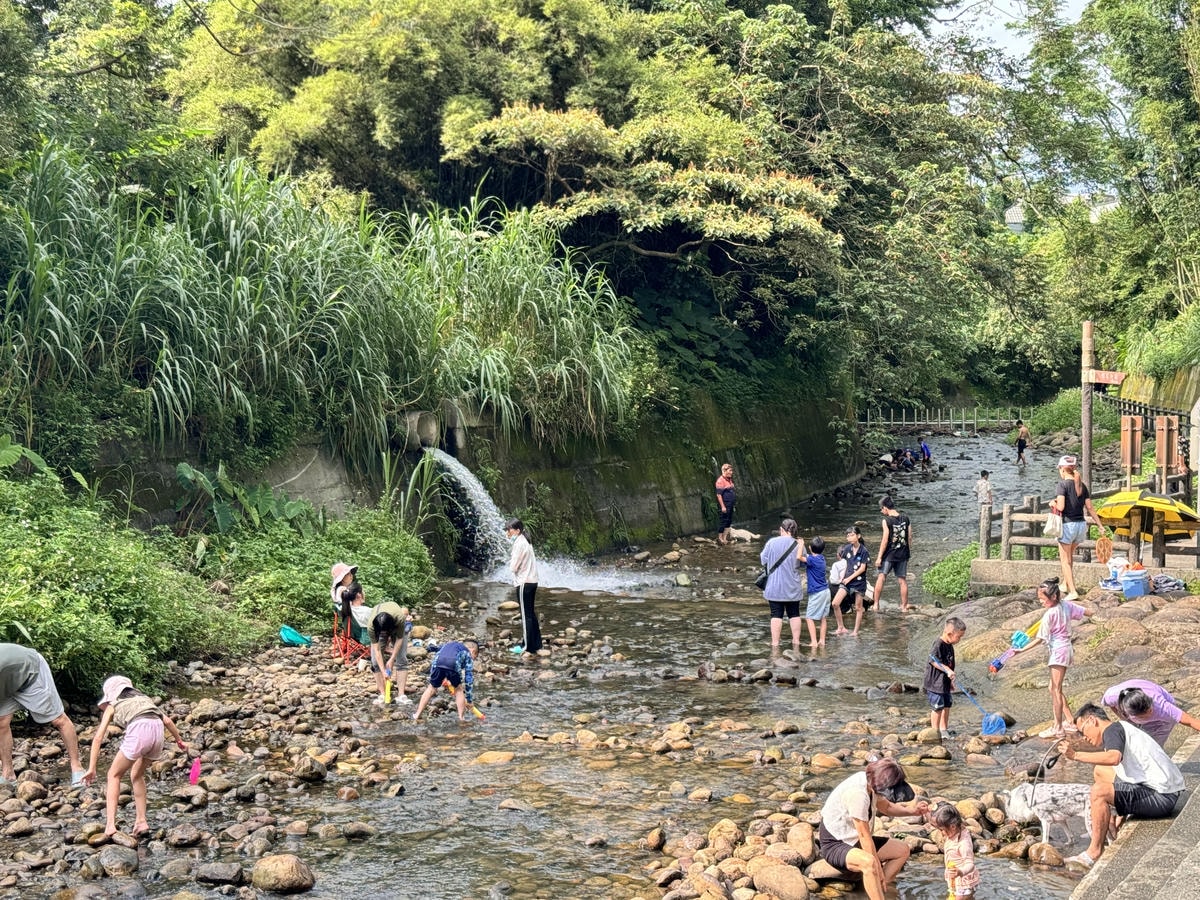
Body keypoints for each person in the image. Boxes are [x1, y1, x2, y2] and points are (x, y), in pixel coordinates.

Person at [1058, 702, 1184, 870]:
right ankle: (1113, 823)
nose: (1084, 737)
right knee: (1100, 771)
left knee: (1098, 792)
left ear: (1092, 720)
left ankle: (1093, 853)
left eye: (1082, 731)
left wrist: (1075, 755)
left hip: (1161, 797)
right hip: (1165, 790)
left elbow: (1113, 758)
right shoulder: (1119, 728)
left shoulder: (1112, 731)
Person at [81, 676, 187, 837]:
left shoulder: (113, 705)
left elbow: (98, 738)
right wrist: (179, 741)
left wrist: (92, 768)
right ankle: (141, 821)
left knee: (113, 775)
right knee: (136, 775)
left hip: (139, 730)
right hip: (157, 732)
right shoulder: (144, 699)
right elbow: (167, 721)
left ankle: (110, 825)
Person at [818, 756, 930, 900]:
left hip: (854, 839)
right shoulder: (858, 794)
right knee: (869, 863)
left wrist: (912, 811)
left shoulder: (872, 783)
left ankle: (876, 891)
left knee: (902, 850)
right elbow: (864, 837)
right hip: (836, 843)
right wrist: (877, 869)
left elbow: (887, 807)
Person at [0, 643, 85, 787]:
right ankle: (8, 774)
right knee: (2, 722)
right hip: (6, 680)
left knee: (58, 720)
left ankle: (77, 768)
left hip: (31, 671)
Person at [1012, 576, 1087, 738]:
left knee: (1055, 690)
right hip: (1066, 648)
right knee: (1053, 688)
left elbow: (1040, 640)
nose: (1040, 602)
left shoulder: (1049, 615)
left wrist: (1021, 650)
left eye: (1042, 599)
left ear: (1053, 597)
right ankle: (1069, 720)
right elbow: (1084, 612)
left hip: (1058, 652)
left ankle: (1058, 727)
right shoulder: (1066, 605)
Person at [1050, 454, 1103, 601]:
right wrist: (1099, 525)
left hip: (1068, 526)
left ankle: (1072, 591)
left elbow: (1061, 506)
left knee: (1065, 561)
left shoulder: (1062, 485)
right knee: (1069, 557)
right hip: (1081, 526)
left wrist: (1052, 503)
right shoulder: (1082, 486)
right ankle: (1065, 584)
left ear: (1062, 469)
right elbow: (1090, 508)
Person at [1102, 679, 1200, 747]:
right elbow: (1111, 705)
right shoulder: (1112, 696)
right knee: (1135, 742)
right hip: (1131, 708)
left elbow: (1191, 721)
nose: (1151, 712)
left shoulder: (1163, 708)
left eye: (1150, 710)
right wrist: (1124, 718)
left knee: (1153, 745)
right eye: (1146, 715)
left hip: (1162, 721)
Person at [759, 518, 803, 655]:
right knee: (794, 614)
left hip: (774, 586)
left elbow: (763, 560)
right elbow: (802, 562)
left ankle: (775, 643)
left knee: (776, 615)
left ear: (781, 529)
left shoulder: (772, 542)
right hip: (793, 586)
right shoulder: (798, 544)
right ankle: (796, 641)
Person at [412, 639, 479, 722]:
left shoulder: (448, 644)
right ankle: (461, 718)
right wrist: (469, 700)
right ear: (473, 651)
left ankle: (417, 714)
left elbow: (438, 656)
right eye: (475, 657)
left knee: (431, 688)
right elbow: (468, 677)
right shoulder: (467, 653)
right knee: (459, 689)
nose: (473, 659)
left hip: (437, 664)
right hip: (453, 665)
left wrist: (441, 677)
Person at [925, 617, 966, 741]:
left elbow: (950, 663)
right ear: (949, 633)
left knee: (947, 705)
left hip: (944, 682)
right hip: (935, 683)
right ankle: (935, 731)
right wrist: (947, 670)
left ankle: (944, 729)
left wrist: (950, 681)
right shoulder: (938, 644)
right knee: (938, 707)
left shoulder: (950, 645)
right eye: (959, 637)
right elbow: (933, 661)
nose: (959, 640)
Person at [506, 518, 542, 655]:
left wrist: (511, 566)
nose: (507, 532)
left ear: (517, 530)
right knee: (531, 614)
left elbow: (513, 567)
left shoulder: (519, 543)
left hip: (523, 583)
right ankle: (537, 644)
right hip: (532, 581)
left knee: (525, 615)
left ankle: (526, 646)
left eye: (509, 529)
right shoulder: (526, 541)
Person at [367, 599, 413, 705]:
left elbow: (399, 639)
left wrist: (392, 659)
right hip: (380, 628)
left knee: (401, 659)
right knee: (375, 662)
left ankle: (401, 695)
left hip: (396, 627)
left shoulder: (400, 618)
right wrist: (383, 671)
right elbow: (377, 649)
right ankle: (383, 694)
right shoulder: (371, 626)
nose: (385, 634)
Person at [930, 803, 980, 897]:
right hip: (956, 879)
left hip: (963, 881)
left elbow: (970, 864)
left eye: (941, 830)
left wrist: (960, 872)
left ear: (952, 826)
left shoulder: (963, 844)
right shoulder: (955, 832)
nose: (941, 833)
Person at [873, 497, 912, 612]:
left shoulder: (886, 521)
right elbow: (909, 537)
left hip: (889, 555)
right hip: (903, 553)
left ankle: (876, 605)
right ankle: (904, 607)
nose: (881, 511)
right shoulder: (906, 518)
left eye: (881, 509)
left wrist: (879, 557)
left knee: (881, 577)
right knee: (902, 580)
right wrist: (908, 552)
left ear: (885, 507)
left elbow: (885, 540)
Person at [832, 526, 871, 636]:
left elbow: (862, 568)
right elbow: (844, 563)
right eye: (848, 535)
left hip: (858, 582)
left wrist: (849, 578)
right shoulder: (847, 549)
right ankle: (841, 627)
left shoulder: (864, 551)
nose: (849, 537)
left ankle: (855, 631)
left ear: (858, 536)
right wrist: (842, 577)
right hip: (847, 581)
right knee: (835, 603)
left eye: (852, 535)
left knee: (858, 607)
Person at [801, 536, 830, 650]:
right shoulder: (821, 558)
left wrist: (800, 544)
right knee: (823, 618)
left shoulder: (812, 560)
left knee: (809, 617)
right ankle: (822, 641)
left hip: (817, 593)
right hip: (826, 591)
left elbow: (799, 557)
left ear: (810, 548)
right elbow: (807, 556)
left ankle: (813, 642)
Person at [714, 463, 736, 545]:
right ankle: (720, 538)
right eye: (730, 471)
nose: (731, 472)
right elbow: (719, 495)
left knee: (729, 521)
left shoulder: (729, 479)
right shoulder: (720, 481)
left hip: (730, 504)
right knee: (723, 520)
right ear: (724, 471)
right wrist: (723, 506)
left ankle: (725, 538)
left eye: (731, 471)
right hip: (725, 504)